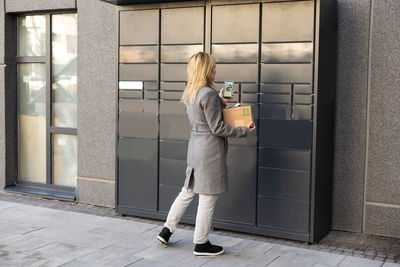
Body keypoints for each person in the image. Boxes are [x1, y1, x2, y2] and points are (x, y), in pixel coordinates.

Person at [156, 51, 256, 256]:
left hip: (195, 148)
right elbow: (218, 127)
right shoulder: (208, 94)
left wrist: (220, 100)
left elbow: (204, 118)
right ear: (206, 71)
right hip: (210, 151)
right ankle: (201, 244)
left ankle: (166, 230)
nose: (215, 70)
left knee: (187, 191)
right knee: (208, 198)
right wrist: (244, 130)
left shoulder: (191, 92)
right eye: (213, 67)